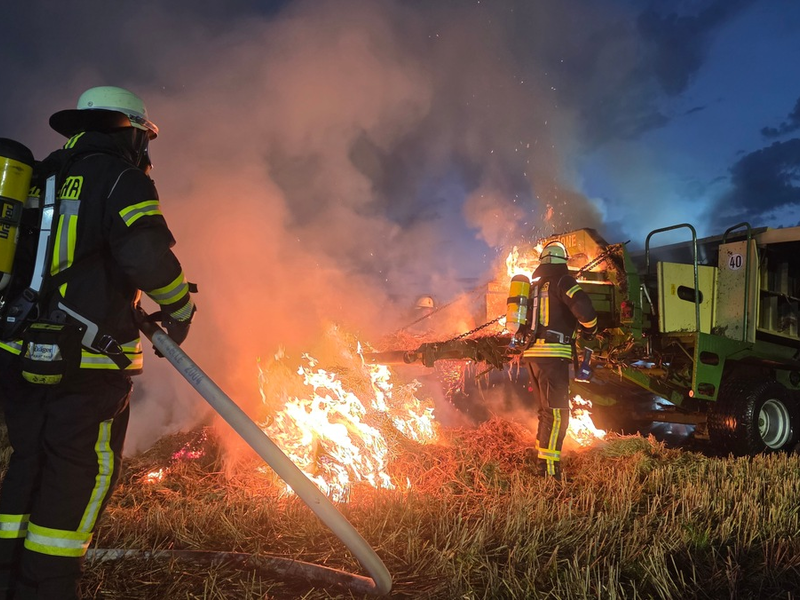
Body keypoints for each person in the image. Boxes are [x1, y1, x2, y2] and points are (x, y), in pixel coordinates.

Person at [0, 86, 195, 599]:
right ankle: (48, 587)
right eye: (145, 138)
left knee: (29, 459)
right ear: (131, 131)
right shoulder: (121, 178)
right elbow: (148, 256)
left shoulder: (38, 177)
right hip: (84, 365)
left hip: (18, 355)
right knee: (79, 471)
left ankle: (7, 575)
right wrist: (179, 307)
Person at [522, 241, 597, 480]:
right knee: (558, 414)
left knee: (546, 412)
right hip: (552, 355)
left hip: (533, 355)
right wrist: (591, 329)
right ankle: (549, 471)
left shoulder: (534, 287)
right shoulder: (563, 281)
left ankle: (540, 462)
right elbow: (583, 309)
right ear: (562, 262)